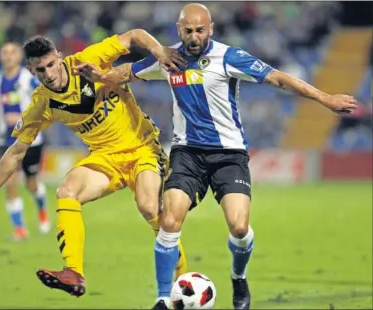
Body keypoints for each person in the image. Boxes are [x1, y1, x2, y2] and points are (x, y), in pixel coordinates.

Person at [73, 3, 358, 309]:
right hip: (187, 153)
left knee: (238, 227)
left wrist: (324, 98)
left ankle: (238, 278)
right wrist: (103, 76)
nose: (193, 37)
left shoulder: (229, 57)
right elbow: (128, 72)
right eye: (188, 30)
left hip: (228, 154)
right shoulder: (168, 58)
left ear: (210, 29)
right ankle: (162, 298)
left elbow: (278, 78)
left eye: (199, 30)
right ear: (179, 29)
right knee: (170, 220)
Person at [0, 30, 189, 297]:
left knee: (148, 207)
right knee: (66, 191)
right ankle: (73, 272)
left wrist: (159, 50)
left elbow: (134, 36)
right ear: (30, 70)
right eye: (40, 69)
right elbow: (16, 151)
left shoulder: (90, 58)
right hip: (104, 158)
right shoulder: (42, 103)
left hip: (142, 147)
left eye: (51, 64)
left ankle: (185, 279)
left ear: (59, 57)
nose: (49, 73)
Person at [0, 41, 50, 240]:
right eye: (4, 52)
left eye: (12, 52)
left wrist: (24, 118)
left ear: (19, 57)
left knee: (31, 184)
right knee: (10, 182)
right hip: (5, 140)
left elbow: (44, 100)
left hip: (30, 140)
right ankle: (20, 229)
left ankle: (41, 208)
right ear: (0, 56)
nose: (8, 56)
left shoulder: (29, 79)